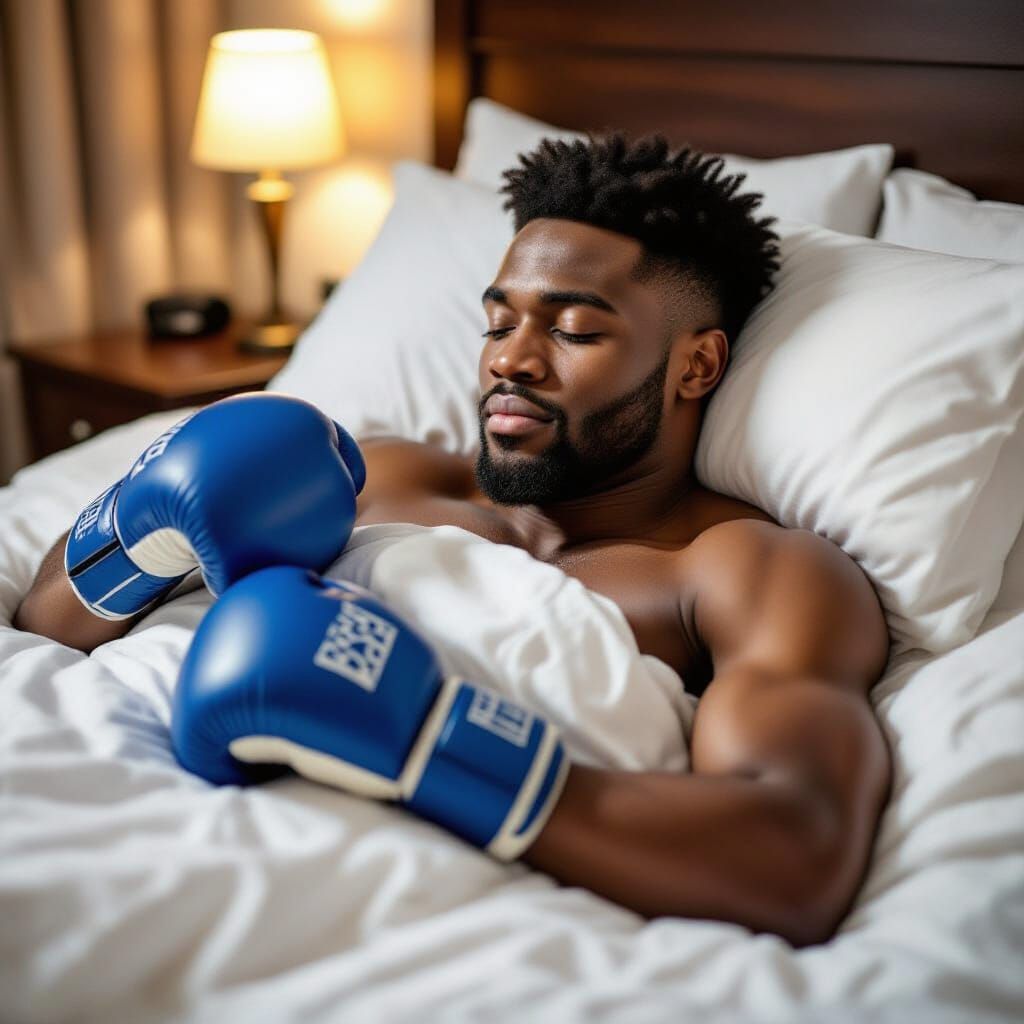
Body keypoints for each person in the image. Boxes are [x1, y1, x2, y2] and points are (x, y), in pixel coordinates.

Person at [14, 134, 891, 947]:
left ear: (696, 366)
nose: (511, 360)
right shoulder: (377, 472)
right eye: (499, 324)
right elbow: (47, 625)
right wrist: (140, 527)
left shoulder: (749, 569)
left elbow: (796, 854)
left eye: (574, 330)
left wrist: (426, 738)